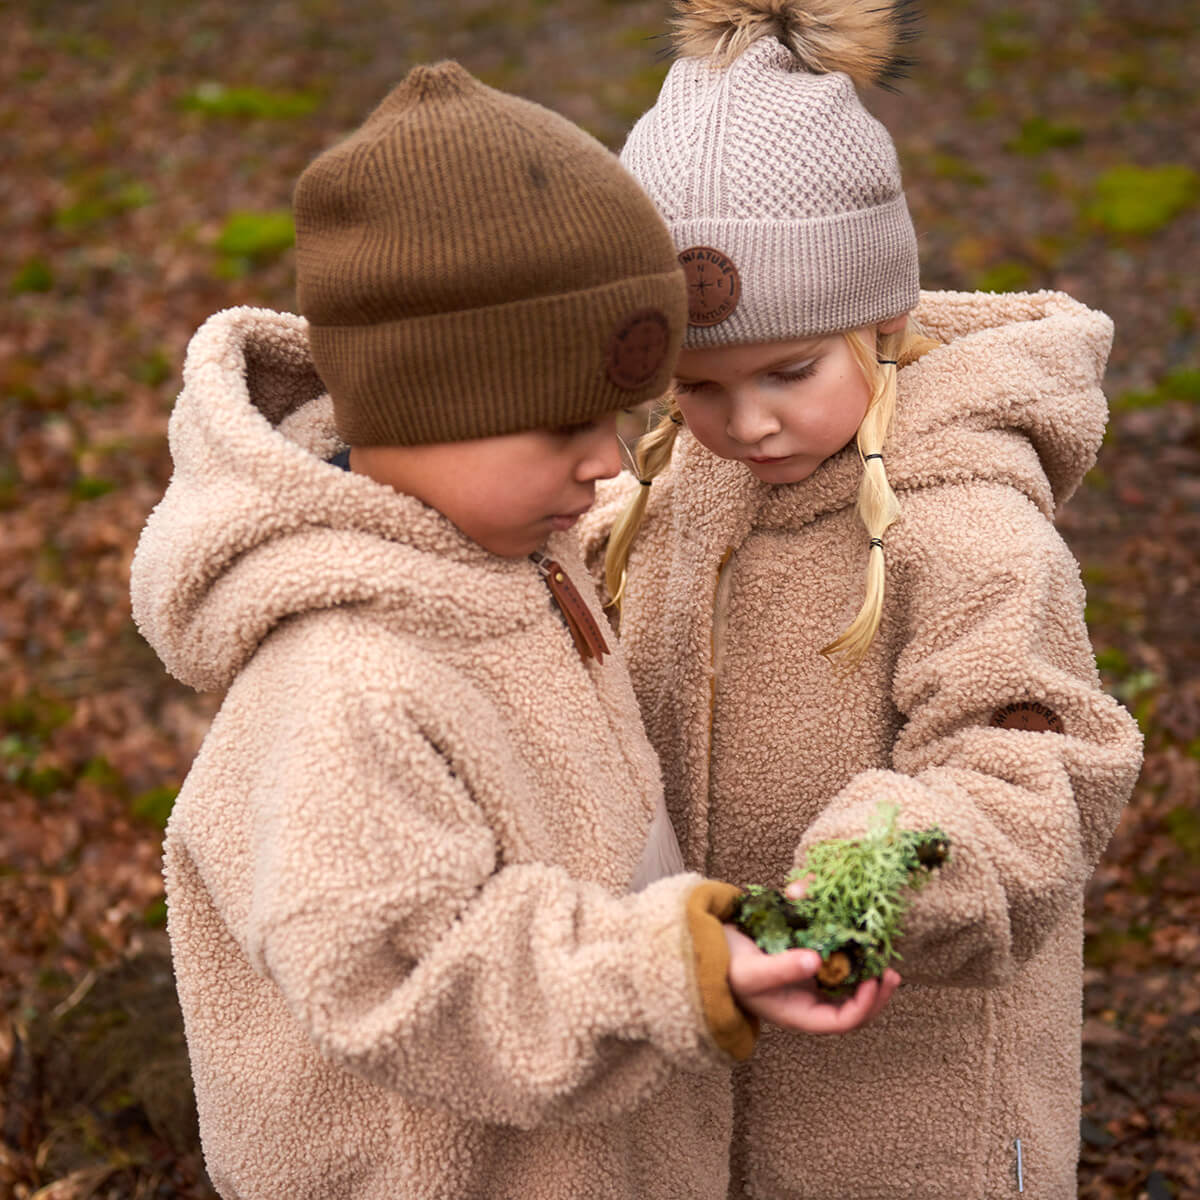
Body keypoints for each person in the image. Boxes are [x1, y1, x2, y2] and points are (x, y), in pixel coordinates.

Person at [129, 61, 897, 1200]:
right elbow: (410, 965)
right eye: (560, 428)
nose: (606, 462)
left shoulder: (515, 556)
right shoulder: (347, 677)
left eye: (617, 420)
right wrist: (670, 971)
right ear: (424, 410)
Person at [585, 2, 1145, 1197]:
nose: (749, 423)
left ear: (879, 321)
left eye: (790, 371)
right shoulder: (673, 490)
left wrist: (864, 892)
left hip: (910, 1124)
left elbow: (1029, 761)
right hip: (705, 1090)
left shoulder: (969, 527)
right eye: (698, 385)